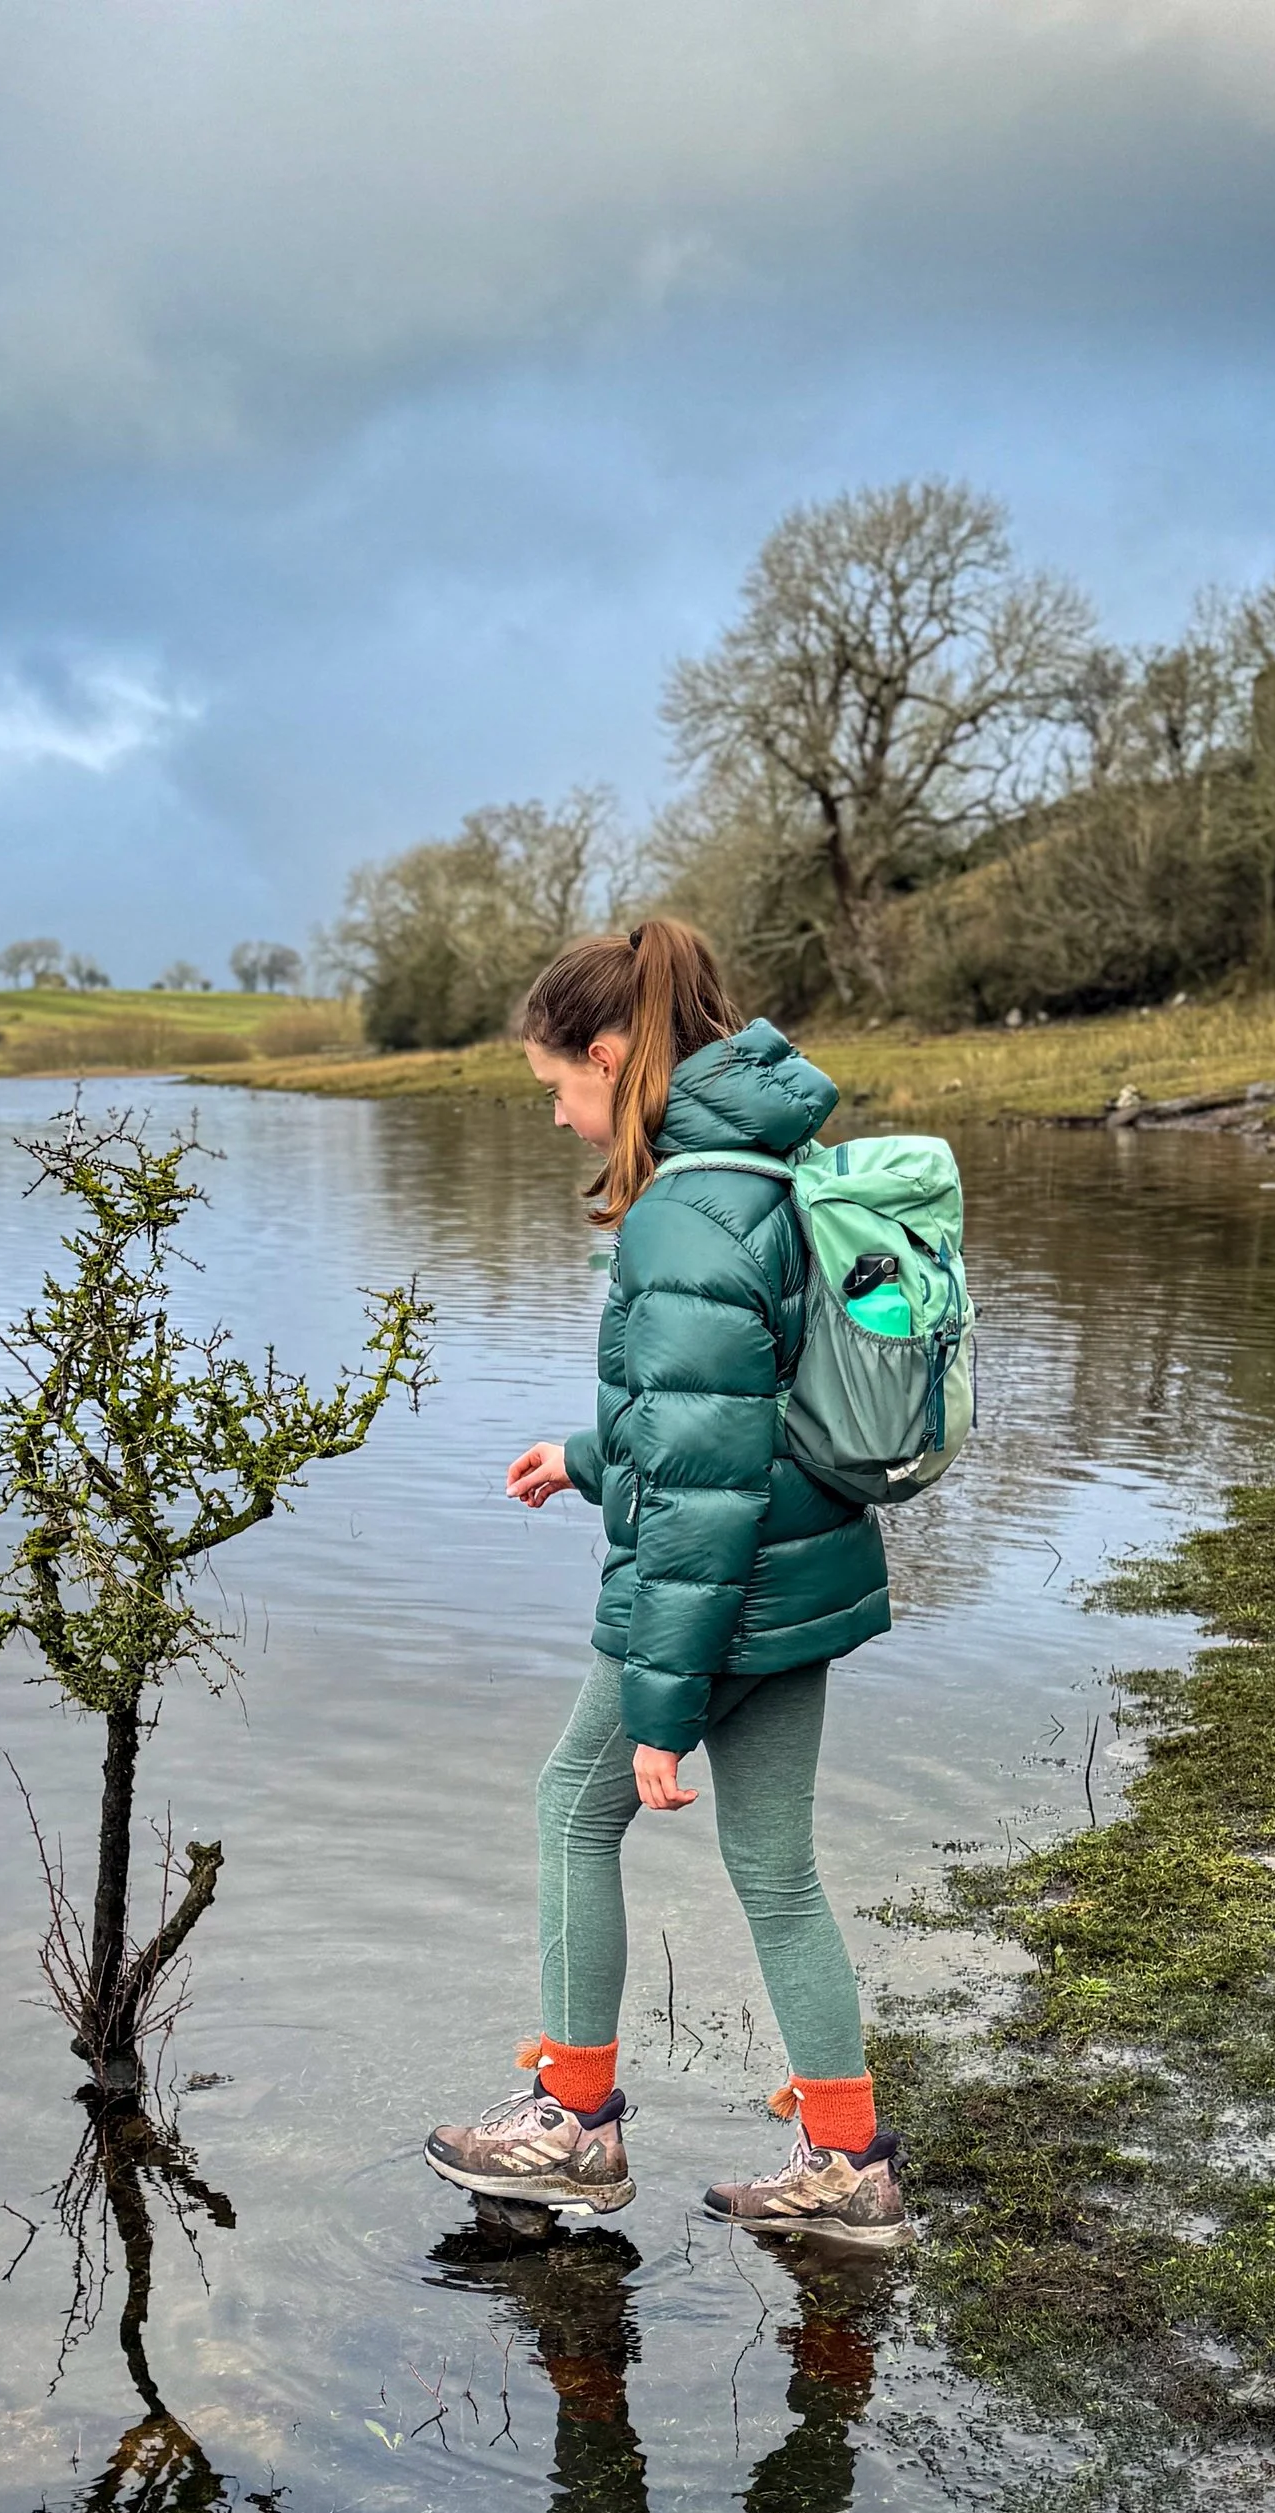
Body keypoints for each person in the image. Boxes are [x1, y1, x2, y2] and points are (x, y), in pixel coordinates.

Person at [424, 918, 907, 2248]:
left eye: (559, 1091)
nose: (564, 1120)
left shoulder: (683, 1215)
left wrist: (660, 1697)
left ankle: (574, 2125)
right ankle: (849, 2162)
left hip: (725, 1593)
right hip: (803, 1574)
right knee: (777, 1871)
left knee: (572, 1809)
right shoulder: (761, 1168)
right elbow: (726, 1414)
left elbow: (701, 1493)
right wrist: (586, 1455)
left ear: (613, 1053)